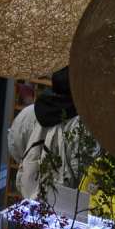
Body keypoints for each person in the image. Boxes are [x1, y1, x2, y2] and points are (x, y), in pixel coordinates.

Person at [8, 67, 97, 200]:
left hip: (28, 196)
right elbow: (83, 171)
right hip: (64, 205)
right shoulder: (83, 126)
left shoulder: (29, 112)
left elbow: (15, 146)